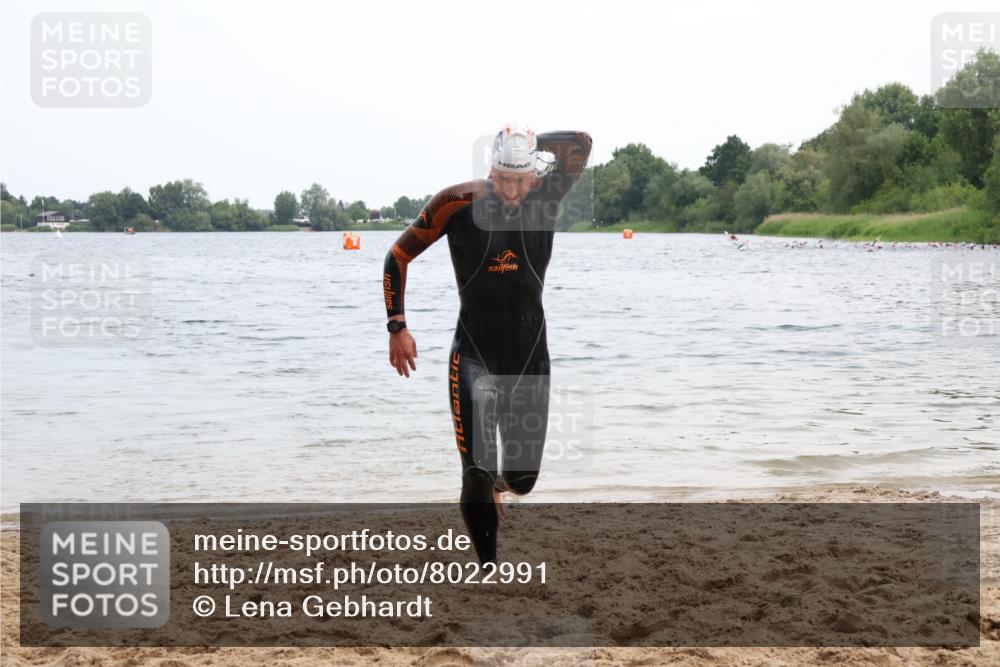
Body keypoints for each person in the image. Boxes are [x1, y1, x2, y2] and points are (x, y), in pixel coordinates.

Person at [382, 122, 592, 564]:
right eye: (503, 179)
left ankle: (502, 488)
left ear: (534, 175)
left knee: (521, 481)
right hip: (473, 355)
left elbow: (581, 143)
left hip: (529, 357)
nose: (512, 191)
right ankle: (489, 567)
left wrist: (532, 141)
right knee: (476, 472)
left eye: (520, 180)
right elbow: (398, 255)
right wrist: (397, 326)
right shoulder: (456, 204)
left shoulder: (547, 197)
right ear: (489, 171)